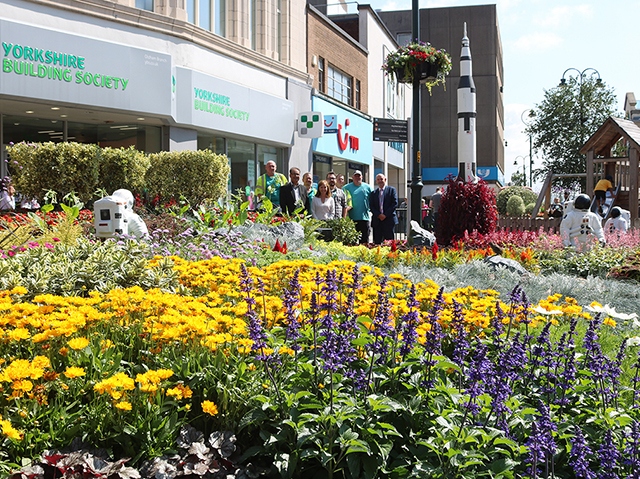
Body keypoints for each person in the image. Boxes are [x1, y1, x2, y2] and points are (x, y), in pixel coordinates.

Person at [343, 170, 372, 244]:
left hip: (364, 218)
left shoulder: (368, 187)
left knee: (364, 242)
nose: (357, 177)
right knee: (351, 242)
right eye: (355, 176)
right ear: (352, 177)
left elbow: (373, 200)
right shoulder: (346, 188)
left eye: (359, 176)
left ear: (362, 177)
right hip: (351, 220)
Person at [369, 173, 398, 244]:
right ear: (376, 181)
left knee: (389, 243)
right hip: (377, 221)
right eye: (378, 179)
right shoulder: (373, 193)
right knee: (377, 243)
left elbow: (394, 203)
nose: (380, 181)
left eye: (381, 179)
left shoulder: (391, 190)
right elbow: (371, 206)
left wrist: (385, 215)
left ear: (385, 180)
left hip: (389, 220)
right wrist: (379, 215)